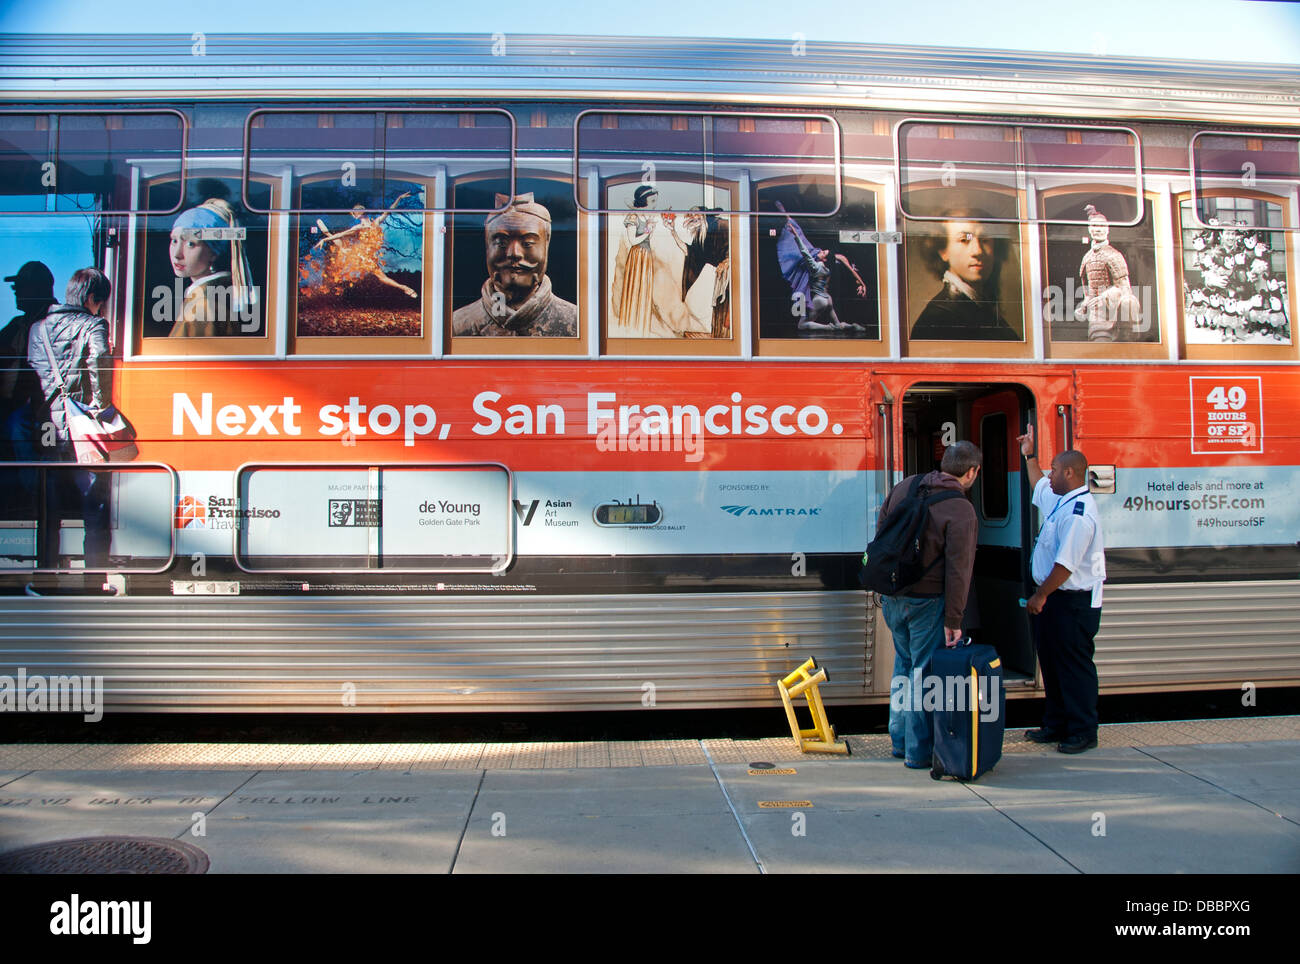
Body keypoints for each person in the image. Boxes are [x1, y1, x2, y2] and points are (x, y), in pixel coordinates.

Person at [877, 440, 982, 768]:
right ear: (972, 472)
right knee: (924, 674)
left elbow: (882, 533)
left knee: (904, 667)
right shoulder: (960, 508)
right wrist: (955, 619)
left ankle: (899, 739)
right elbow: (959, 569)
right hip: (927, 602)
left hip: (893, 596)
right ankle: (917, 753)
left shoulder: (906, 486)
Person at [1017, 424, 1106, 754]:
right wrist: (1030, 455)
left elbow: (1066, 565)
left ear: (1069, 472)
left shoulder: (1079, 514)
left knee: (1073, 667)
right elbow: (1038, 484)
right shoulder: (1060, 500)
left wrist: (1041, 595)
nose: (1049, 475)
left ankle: (1083, 730)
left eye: (1054, 469)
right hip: (1056, 599)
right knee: (1052, 664)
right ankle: (1055, 725)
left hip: (1072, 602)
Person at [27, 267, 114, 572]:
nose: (100, 309)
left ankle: (45, 574)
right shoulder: (93, 325)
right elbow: (101, 364)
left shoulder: (37, 328)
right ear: (92, 298)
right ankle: (93, 578)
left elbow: (34, 379)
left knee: (47, 508)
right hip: (82, 429)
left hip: (47, 427)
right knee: (95, 507)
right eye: (100, 303)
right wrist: (101, 409)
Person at [452, 192, 577, 337]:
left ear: (546, 245)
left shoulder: (576, 323)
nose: (514, 253)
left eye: (527, 243)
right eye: (501, 243)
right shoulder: (457, 325)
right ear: (487, 247)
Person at [912, 216, 1017, 341]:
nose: (977, 251)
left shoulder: (982, 305)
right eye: (964, 240)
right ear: (943, 251)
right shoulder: (939, 319)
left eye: (984, 240)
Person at [167, 197, 257, 337]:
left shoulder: (204, 304)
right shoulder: (218, 294)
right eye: (174, 241)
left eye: (191, 244)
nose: (177, 254)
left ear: (214, 253)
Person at [775, 202, 867, 334]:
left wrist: (795, 235)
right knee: (840, 326)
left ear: (823, 259)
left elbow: (804, 249)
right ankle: (853, 326)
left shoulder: (815, 267)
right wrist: (861, 283)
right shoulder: (828, 268)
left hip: (819, 300)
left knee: (802, 325)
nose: (821, 251)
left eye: (823, 253)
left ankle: (829, 327)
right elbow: (842, 260)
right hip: (828, 299)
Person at [311, 192, 417, 301]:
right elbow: (341, 234)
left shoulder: (376, 222)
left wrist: (399, 198)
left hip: (369, 256)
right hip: (361, 255)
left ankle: (404, 287)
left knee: (382, 277)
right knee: (343, 246)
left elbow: (389, 210)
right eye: (356, 211)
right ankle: (327, 234)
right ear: (356, 216)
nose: (359, 210)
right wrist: (325, 239)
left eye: (360, 209)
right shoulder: (358, 227)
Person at [1, 261, 57, 467]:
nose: (16, 293)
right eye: (15, 288)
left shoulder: (56, 322)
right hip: (11, 404)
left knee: (18, 427)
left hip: (42, 406)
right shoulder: (16, 326)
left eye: (21, 287)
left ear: (39, 288)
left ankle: (33, 491)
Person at [1076, 204, 1141, 342]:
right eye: (1093, 226)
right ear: (1089, 229)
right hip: (1096, 316)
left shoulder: (1114, 255)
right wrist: (1085, 304)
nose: (1097, 229)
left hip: (1113, 314)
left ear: (1107, 229)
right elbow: (1089, 292)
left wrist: (1104, 297)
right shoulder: (1087, 257)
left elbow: (1125, 290)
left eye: (1101, 226)